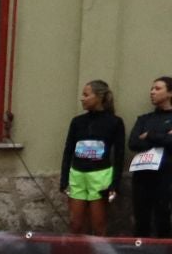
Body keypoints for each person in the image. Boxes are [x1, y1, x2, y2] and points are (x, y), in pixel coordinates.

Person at [60, 80, 126, 237]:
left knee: (98, 225)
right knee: (76, 224)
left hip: (100, 176)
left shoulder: (115, 122)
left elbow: (119, 155)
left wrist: (114, 184)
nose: (82, 98)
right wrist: (64, 179)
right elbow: (68, 150)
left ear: (99, 97)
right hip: (77, 175)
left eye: (86, 95)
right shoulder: (77, 122)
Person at [126, 76, 172, 238]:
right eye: (152, 88)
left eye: (158, 89)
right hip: (143, 174)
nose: (152, 92)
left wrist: (150, 135)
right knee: (141, 218)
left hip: (166, 175)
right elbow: (133, 143)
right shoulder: (144, 119)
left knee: (163, 217)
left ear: (170, 93)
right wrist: (163, 137)